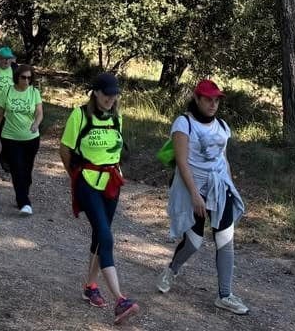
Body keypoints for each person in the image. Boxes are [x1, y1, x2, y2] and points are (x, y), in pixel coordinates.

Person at [158, 79, 249, 315]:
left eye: (216, 99)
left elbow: (223, 159)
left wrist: (231, 185)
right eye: (208, 98)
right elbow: (181, 161)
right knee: (194, 243)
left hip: (220, 190)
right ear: (197, 98)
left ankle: (225, 295)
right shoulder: (184, 123)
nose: (213, 104)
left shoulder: (221, 126)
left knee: (226, 241)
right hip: (193, 191)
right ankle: (172, 269)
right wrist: (195, 196)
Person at [60, 72, 139, 325]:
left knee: (99, 236)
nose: (111, 99)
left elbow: (115, 149)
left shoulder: (117, 117)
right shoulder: (80, 115)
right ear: (96, 92)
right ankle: (119, 299)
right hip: (87, 181)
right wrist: (75, 175)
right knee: (105, 235)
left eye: (115, 95)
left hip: (112, 182)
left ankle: (90, 285)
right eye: (107, 94)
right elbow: (65, 149)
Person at [0, 65, 44, 215]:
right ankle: (23, 201)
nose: (26, 80)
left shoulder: (34, 92)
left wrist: (36, 124)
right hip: (10, 137)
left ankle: (24, 193)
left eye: (29, 78)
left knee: (27, 170)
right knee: (16, 168)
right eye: (24, 77)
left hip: (31, 139)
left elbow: (39, 113)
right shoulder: (8, 91)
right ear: (17, 77)